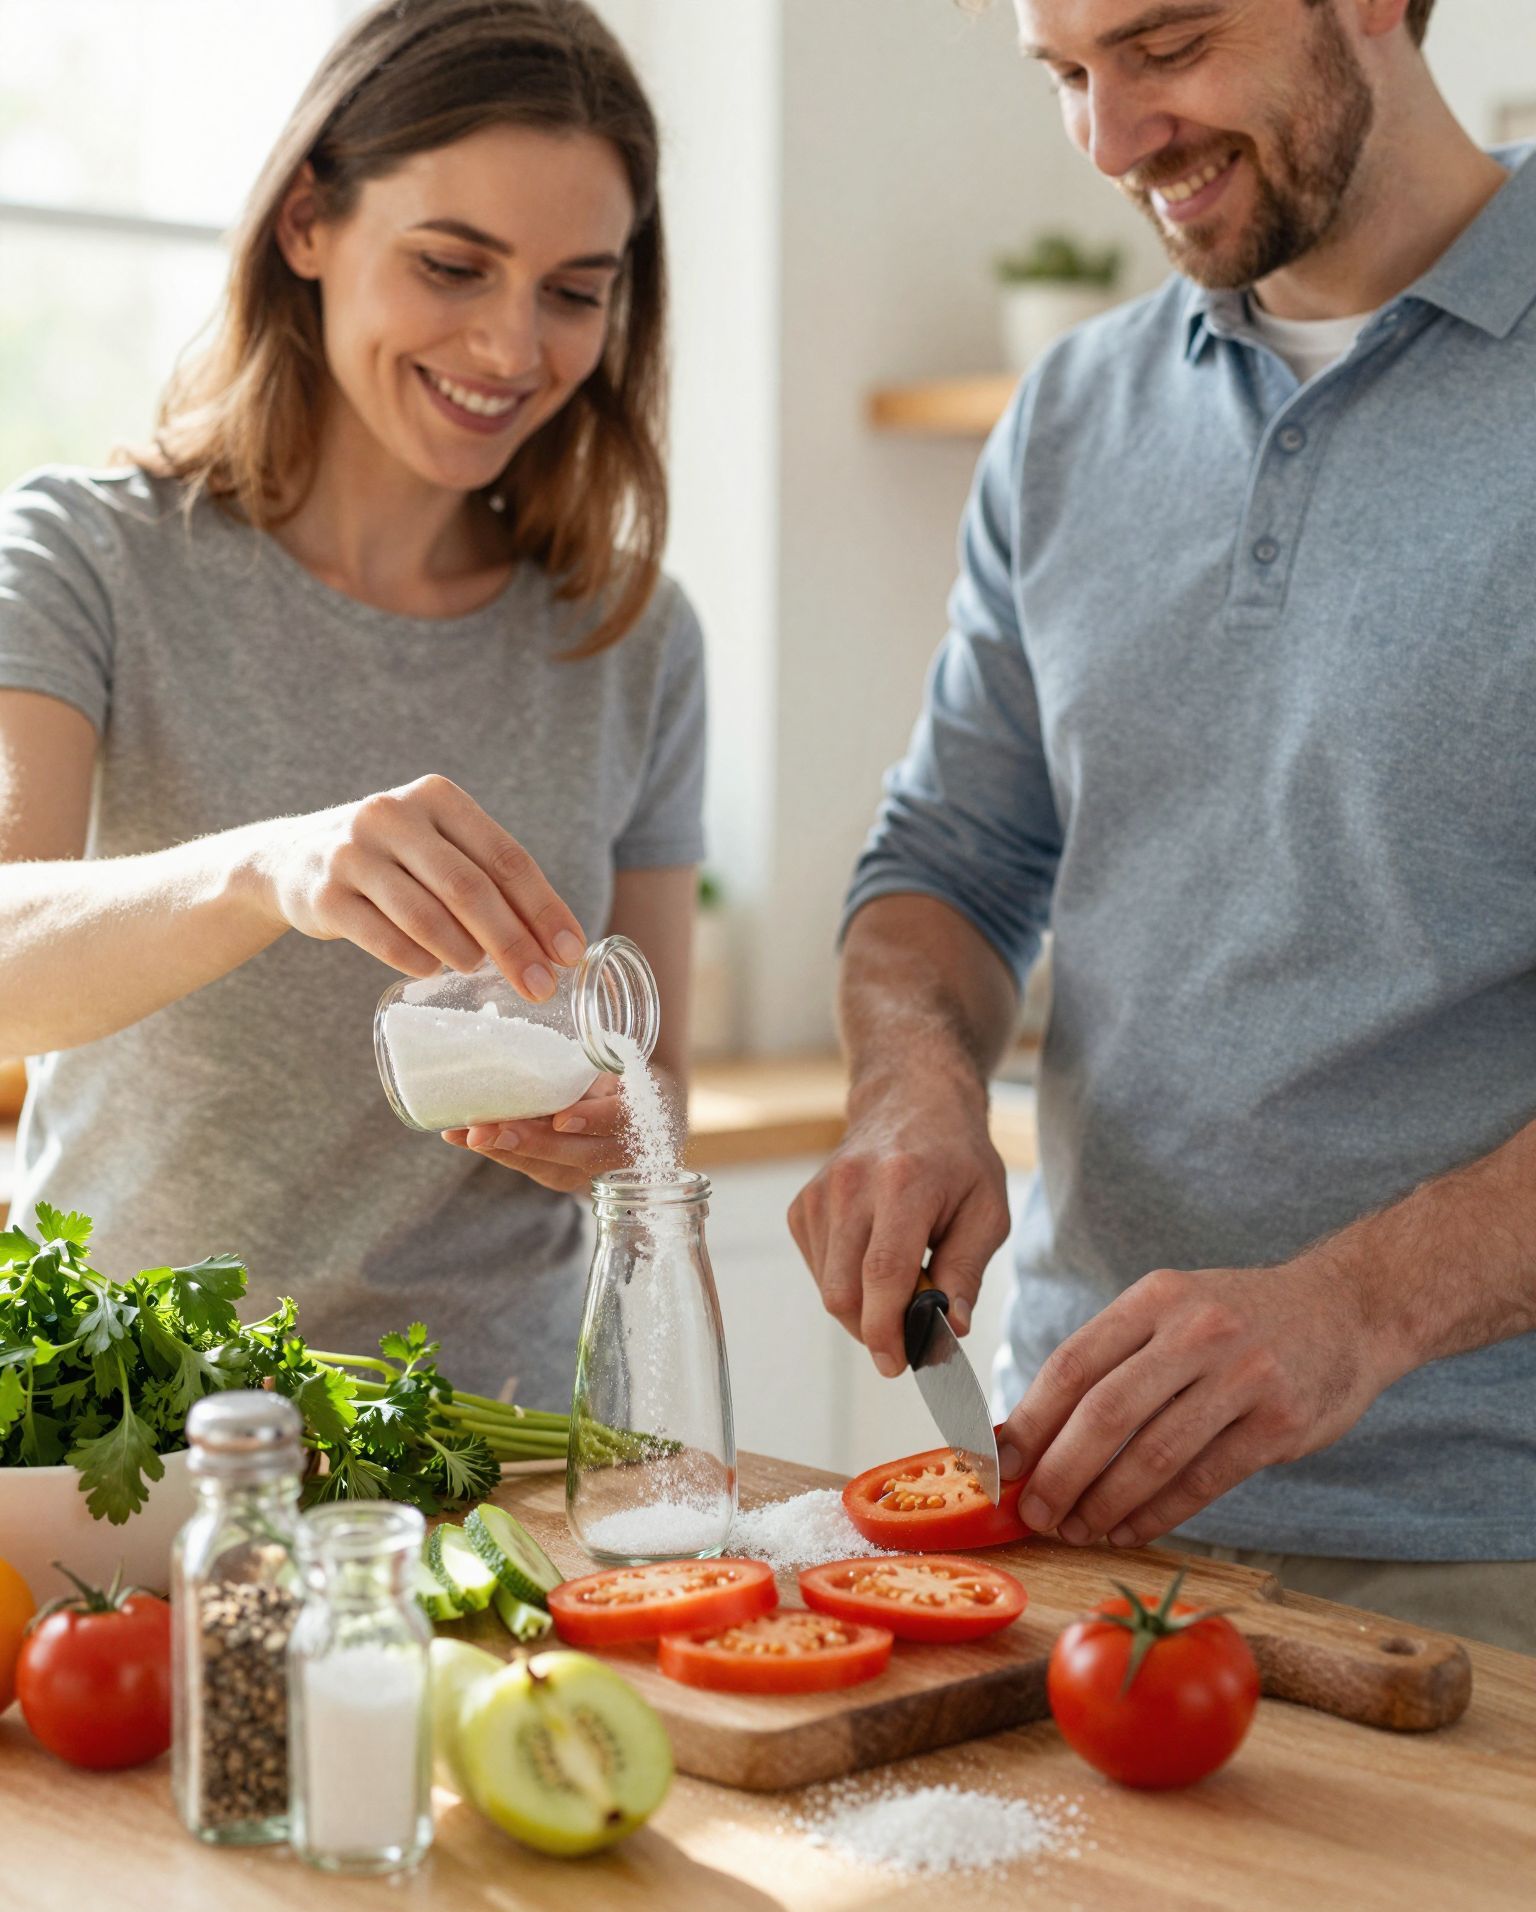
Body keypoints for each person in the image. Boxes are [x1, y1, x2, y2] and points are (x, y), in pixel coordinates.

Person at [790, 0, 1536, 1651]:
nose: (1112, 140)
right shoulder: (1071, 418)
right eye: (1065, 74)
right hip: (1073, 1505)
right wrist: (911, 1086)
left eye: (1168, 45)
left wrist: (1360, 1310)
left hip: (1488, 1557)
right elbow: (951, 862)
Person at [0, 0, 705, 1406]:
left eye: (575, 290)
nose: (513, 348)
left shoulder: (632, 635)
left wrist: (614, 1128)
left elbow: (653, 1080)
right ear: (307, 222)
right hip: (140, 1447)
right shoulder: (86, 558)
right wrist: (272, 868)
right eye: (454, 265)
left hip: (499, 1457)